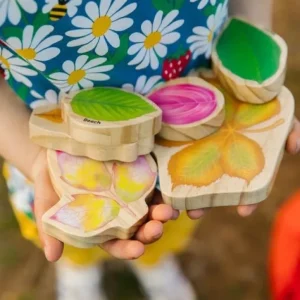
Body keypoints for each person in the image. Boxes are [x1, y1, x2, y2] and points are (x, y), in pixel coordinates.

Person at [0, 0, 299, 299]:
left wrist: (252, 62)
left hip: (194, 126)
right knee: (77, 232)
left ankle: (154, 262)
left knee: (166, 224)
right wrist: (35, 158)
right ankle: (77, 272)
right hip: (65, 153)